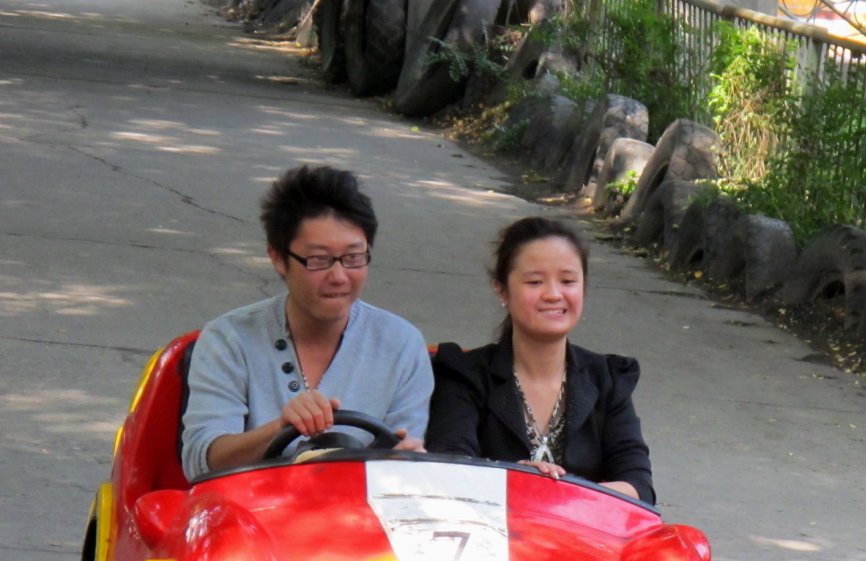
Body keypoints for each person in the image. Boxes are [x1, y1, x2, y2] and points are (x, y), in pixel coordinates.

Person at [180, 165, 431, 480]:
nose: (338, 277)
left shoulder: (401, 344)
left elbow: (403, 451)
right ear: (278, 258)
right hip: (250, 505)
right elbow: (201, 462)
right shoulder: (228, 339)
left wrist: (407, 459)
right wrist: (279, 429)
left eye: (353, 258)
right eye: (319, 260)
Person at [425, 216, 654, 503]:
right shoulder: (463, 373)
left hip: (584, 528)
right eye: (535, 281)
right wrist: (514, 480)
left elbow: (639, 487)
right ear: (502, 290)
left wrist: (557, 492)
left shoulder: (608, 379)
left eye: (568, 281)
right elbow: (450, 468)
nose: (554, 294)